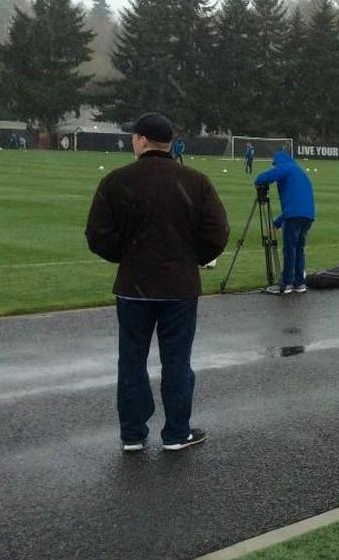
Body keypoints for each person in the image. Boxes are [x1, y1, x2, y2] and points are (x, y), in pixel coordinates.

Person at [85, 113, 230, 453]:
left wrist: (126, 256)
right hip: (179, 287)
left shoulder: (116, 181)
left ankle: (133, 433)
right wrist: (189, 258)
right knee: (177, 360)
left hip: (134, 286)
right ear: (169, 143)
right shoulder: (195, 181)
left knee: (131, 360)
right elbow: (217, 233)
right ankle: (177, 432)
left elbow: (97, 235)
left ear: (141, 140)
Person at [255, 150, 315, 294]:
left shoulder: (285, 168)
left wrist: (258, 181)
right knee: (299, 249)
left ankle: (286, 283)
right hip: (308, 216)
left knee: (289, 249)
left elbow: (264, 177)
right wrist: (277, 223)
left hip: (294, 216)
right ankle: (299, 283)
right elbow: (297, 205)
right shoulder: (299, 171)